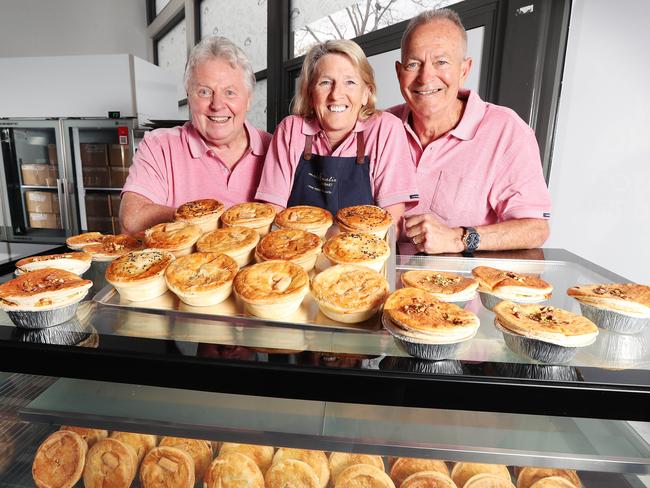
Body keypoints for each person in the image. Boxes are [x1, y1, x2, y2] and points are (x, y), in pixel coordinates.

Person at [388, 9, 552, 254]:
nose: (425, 77)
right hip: (377, 284)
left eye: (441, 62)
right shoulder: (381, 126)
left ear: (464, 70)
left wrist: (458, 238)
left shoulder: (506, 131)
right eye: (414, 64)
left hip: (459, 289)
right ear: (400, 73)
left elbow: (536, 228)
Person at [255, 39, 418, 226]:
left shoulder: (386, 129)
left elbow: (391, 225)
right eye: (325, 82)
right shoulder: (290, 130)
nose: (336, 94)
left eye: (350, 82)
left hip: (366, 253)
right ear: (310, 94)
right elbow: (273, 218)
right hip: (298, 251)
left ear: (366, 93)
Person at [120, 36, 271, 235]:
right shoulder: (160, 146)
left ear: (249, 99)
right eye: (205, 92)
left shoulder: (275, 148)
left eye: (230, 93)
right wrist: (203, 219)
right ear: (189, 96)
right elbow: (131, 219)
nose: (217, 105)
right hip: (179, 266)